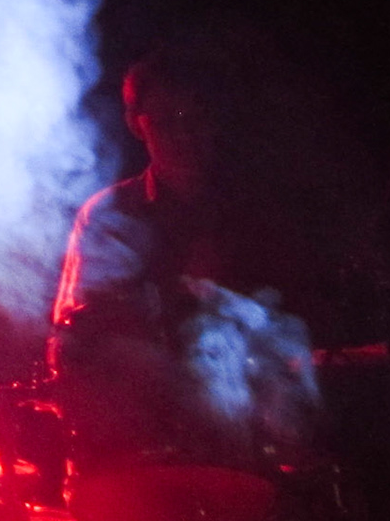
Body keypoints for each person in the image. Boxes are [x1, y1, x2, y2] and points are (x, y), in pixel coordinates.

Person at [48, 45, 321, 514]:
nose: (186, 135)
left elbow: (290, 335)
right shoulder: (111, 215)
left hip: (242, 457)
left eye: (195, 119)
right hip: (135, 459)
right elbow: (75, 338)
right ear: (137, 124)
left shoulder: (254, 217)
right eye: (168, 120)